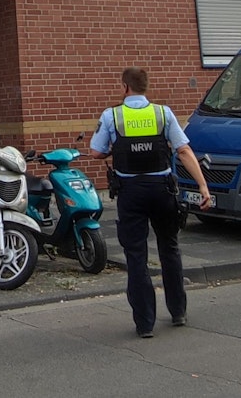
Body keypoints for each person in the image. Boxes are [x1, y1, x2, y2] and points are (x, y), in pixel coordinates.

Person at [90, 66, 211, 338]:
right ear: (146, 87)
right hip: (162, 190)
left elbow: (96, 151)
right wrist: (203, 186)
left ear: (125, 87)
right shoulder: (162, 113)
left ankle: (145, 323)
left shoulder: (112, 115)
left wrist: (115, 148)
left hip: (131, 191)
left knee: (136, 256)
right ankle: (178, 311)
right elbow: (184, 150)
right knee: (169, 247)